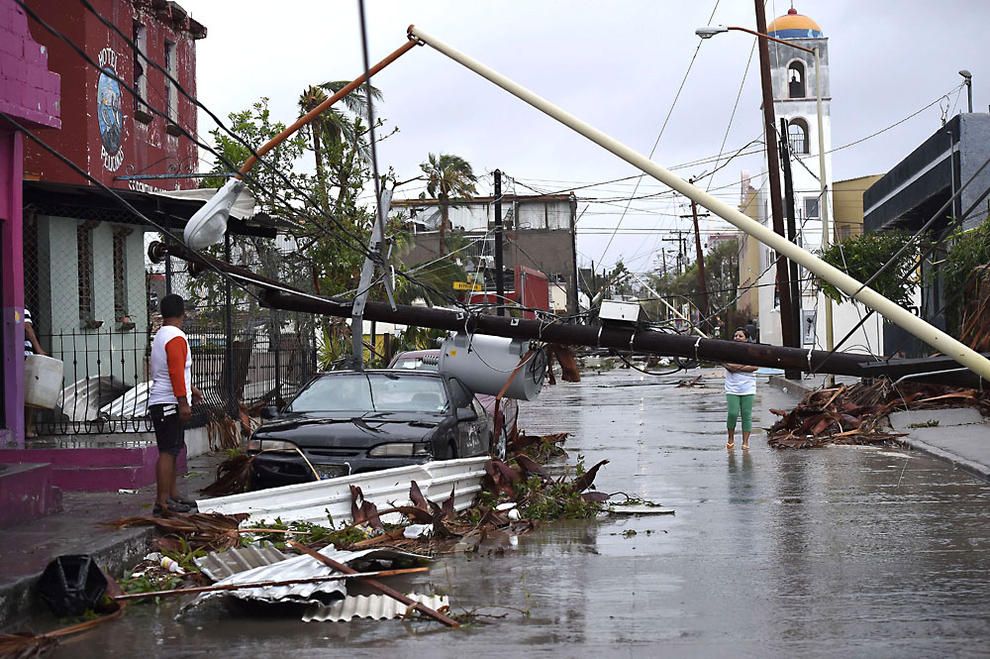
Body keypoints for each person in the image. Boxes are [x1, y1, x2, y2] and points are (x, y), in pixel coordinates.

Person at [148, 294, 202, 516]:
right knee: (168, 452)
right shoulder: (176, 336)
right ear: (183, 313)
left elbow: (173, 370)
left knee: (172, 449)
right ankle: (163, 501)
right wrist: (183, 401)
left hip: (164, 400)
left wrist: (192, 390)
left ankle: (172, 494)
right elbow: (175, 370)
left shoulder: (162, 334)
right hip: (169, 402)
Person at [724, 327, 758, 450]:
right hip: (732, 387)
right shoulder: (728, 350)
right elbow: (727, 365)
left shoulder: (752, 351)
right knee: (732, 413)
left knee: (746, 415)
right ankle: (730, 438)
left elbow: (754, 367)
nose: (737, 338)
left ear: (746, 338)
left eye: (740, 336)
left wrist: (736, 368)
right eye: (735, 336)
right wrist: (743, 366)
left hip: (748, 387)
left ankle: (745, 442)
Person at [23, 308, 46, 438]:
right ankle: (27, 429)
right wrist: (39, 349)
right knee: (29, 395)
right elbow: (27, 327)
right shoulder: (23, 310)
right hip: (25, 357)